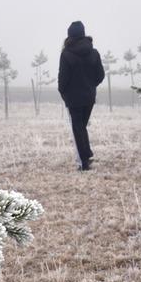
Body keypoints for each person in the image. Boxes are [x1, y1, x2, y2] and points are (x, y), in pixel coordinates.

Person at [58, 21, 105, 171]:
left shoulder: (66, 54)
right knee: (81, 127)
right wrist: (91, 87)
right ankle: (87, 154)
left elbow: (63, 78)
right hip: (89, 97)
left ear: (70, 35)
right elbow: (100, 75)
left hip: (73, 98)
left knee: (78, 128)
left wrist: (64, 93)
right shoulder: (94, 52)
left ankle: (83, 162)